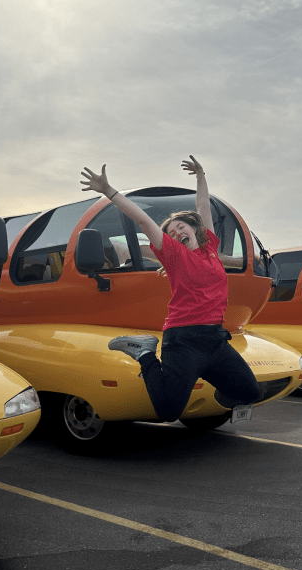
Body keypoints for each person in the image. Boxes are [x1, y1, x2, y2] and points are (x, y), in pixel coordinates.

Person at [79, 155, 261, 422]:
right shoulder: (174, 254)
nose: (176, 233)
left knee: (250, 391)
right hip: (184, 339)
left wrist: (201, 176)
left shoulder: (210, 247)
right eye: (171, 232)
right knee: (167, 412)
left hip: (215, 340)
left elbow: (203, 207)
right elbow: (142, 219)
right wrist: (108, 191)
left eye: (180, 227)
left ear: (194, 228)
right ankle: (144, 353)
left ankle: (207, 382)